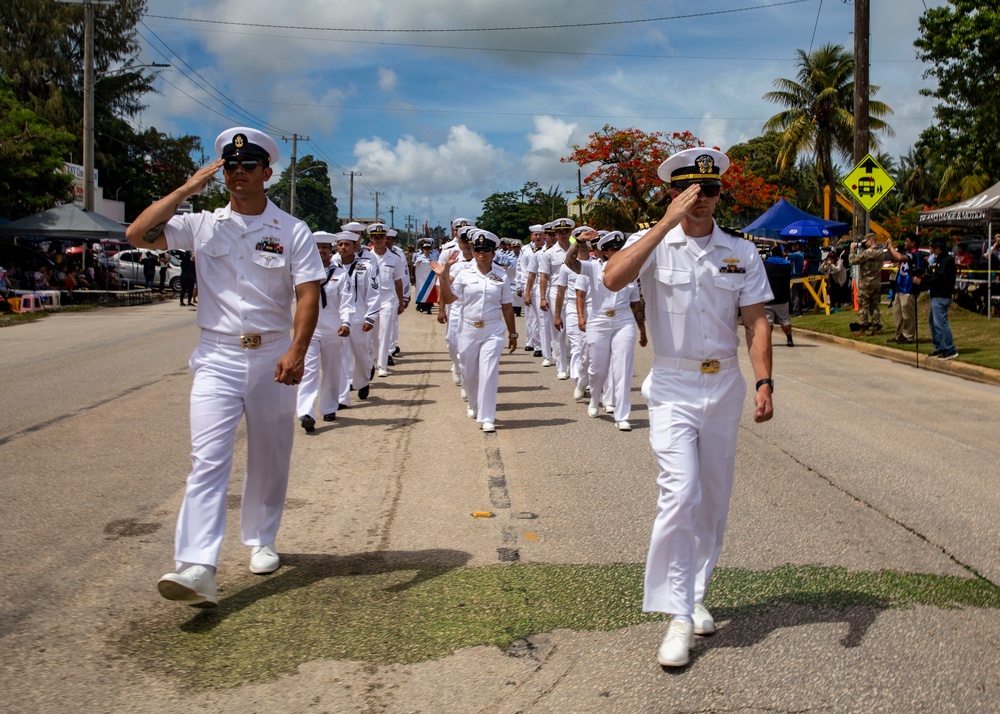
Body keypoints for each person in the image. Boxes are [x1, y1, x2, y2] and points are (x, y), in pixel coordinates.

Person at [124, 126, 324, 607]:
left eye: (247, 166)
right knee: (208, 459)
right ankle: (197, 566)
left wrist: (297, 350)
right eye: (230, 167)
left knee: (270, 455)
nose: (237, 173)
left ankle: (261, 539)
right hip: (215, 355)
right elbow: (137, 233)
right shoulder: (201, 224)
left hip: (272, 352)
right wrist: (187, 189)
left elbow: (308, 293)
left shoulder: (291, 230)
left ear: (266, 173)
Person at [603, 147, 774, 668]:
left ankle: (695, 594)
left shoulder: (740, 252)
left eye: (710, 190)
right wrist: (664, 223)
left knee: (713, 501)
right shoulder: (653, 244)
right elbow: (612, 278)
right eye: (690, 191)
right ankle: (676, 615)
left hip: (723, 385)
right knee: (680, 493)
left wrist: (765, 380)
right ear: (675, 192)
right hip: (674, 385)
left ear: (721, 194)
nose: (701, 199)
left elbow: (756, 320)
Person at [433, 229, 517, 433]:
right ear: (473, 250)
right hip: (468, 329)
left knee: (489, 372)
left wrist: (512, 333)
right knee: (468, 373)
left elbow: (507, 306)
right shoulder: (464, 273)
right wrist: (443, 276)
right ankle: (473, 402)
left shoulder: (501, 275)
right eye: (477, 249)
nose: (481, 253)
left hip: (492, 329)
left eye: (486, 250)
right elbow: (451, 298)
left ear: (493, 253)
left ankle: (488, 416)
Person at [566, 230, 646, 431]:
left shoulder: (631, 272)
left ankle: (622, 414)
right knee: (597, 369)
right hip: (599, 320)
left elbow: (636, 304)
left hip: (623, 320)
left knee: (623, 368)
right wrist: (577, 242)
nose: (617, 251)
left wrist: (642, 330)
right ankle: (594, 399)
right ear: (604, 252)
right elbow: (570, 262)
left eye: (620, 248)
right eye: (612, 249)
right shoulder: (593, 268)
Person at [297, 232, 354, 431]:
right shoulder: (302, 272)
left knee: (331, 370)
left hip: (333, 330)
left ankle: (329, 407)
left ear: (331, 251)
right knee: (308, 371)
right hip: (309, 331)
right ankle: (306, 412)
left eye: (325, 247)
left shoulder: (340, 275)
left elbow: (347, 301)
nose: (321, 251)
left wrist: (346, 323)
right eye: (317, 247)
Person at [333, 231, 380, 407]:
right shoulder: (331, 265)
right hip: (338, 319)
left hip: (360, 318)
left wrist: (370, 317)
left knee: (362, 356)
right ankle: (341, 398)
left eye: (347, 244)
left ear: (355, 246)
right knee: (342, 359)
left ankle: (364, 379)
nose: (343, 248)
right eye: (340, 244)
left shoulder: (366, 266)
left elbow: (373, 293)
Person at [913, 236, 958, 360]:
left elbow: (939, 278)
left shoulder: (947, 260)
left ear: (939, 248)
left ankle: (949, 349)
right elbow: (935, 276)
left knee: (940, 323)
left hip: (942, 295)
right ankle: (939, 347)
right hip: (936, 295)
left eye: (933, 247)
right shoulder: (939, 260)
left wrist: (922, 282)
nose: (931, 250)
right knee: (933, 323)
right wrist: (925, 276)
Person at [884, 233, 926, 344]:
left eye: (907, 241)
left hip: (908, 288)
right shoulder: (907, 254)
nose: (905, 243)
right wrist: (889, 249)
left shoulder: (915, 255)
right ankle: (899, 335)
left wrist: (892, 247)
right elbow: (895, 257)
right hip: (899, 287)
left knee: (907, 314)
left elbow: (899, 257)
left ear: (913, 243)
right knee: (898, 314)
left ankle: (909, 336)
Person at [849, 233, 884, 337]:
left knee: (863, 307)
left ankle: (862, 330)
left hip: (865, 284)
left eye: (866, 242)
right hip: (876, 283)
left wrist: (852, 250)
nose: (865, 244)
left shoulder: (866, 253)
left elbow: (852, 261)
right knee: (875, 306)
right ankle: (875, 329)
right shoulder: (880, 252)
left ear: (871, 240)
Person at [762, 245, 794, 347]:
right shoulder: (787, 265)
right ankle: (789, 339)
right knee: (785, 320)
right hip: (783, 297)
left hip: (768, 297)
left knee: (768, 322)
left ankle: (767, 341)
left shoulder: (765, 264)